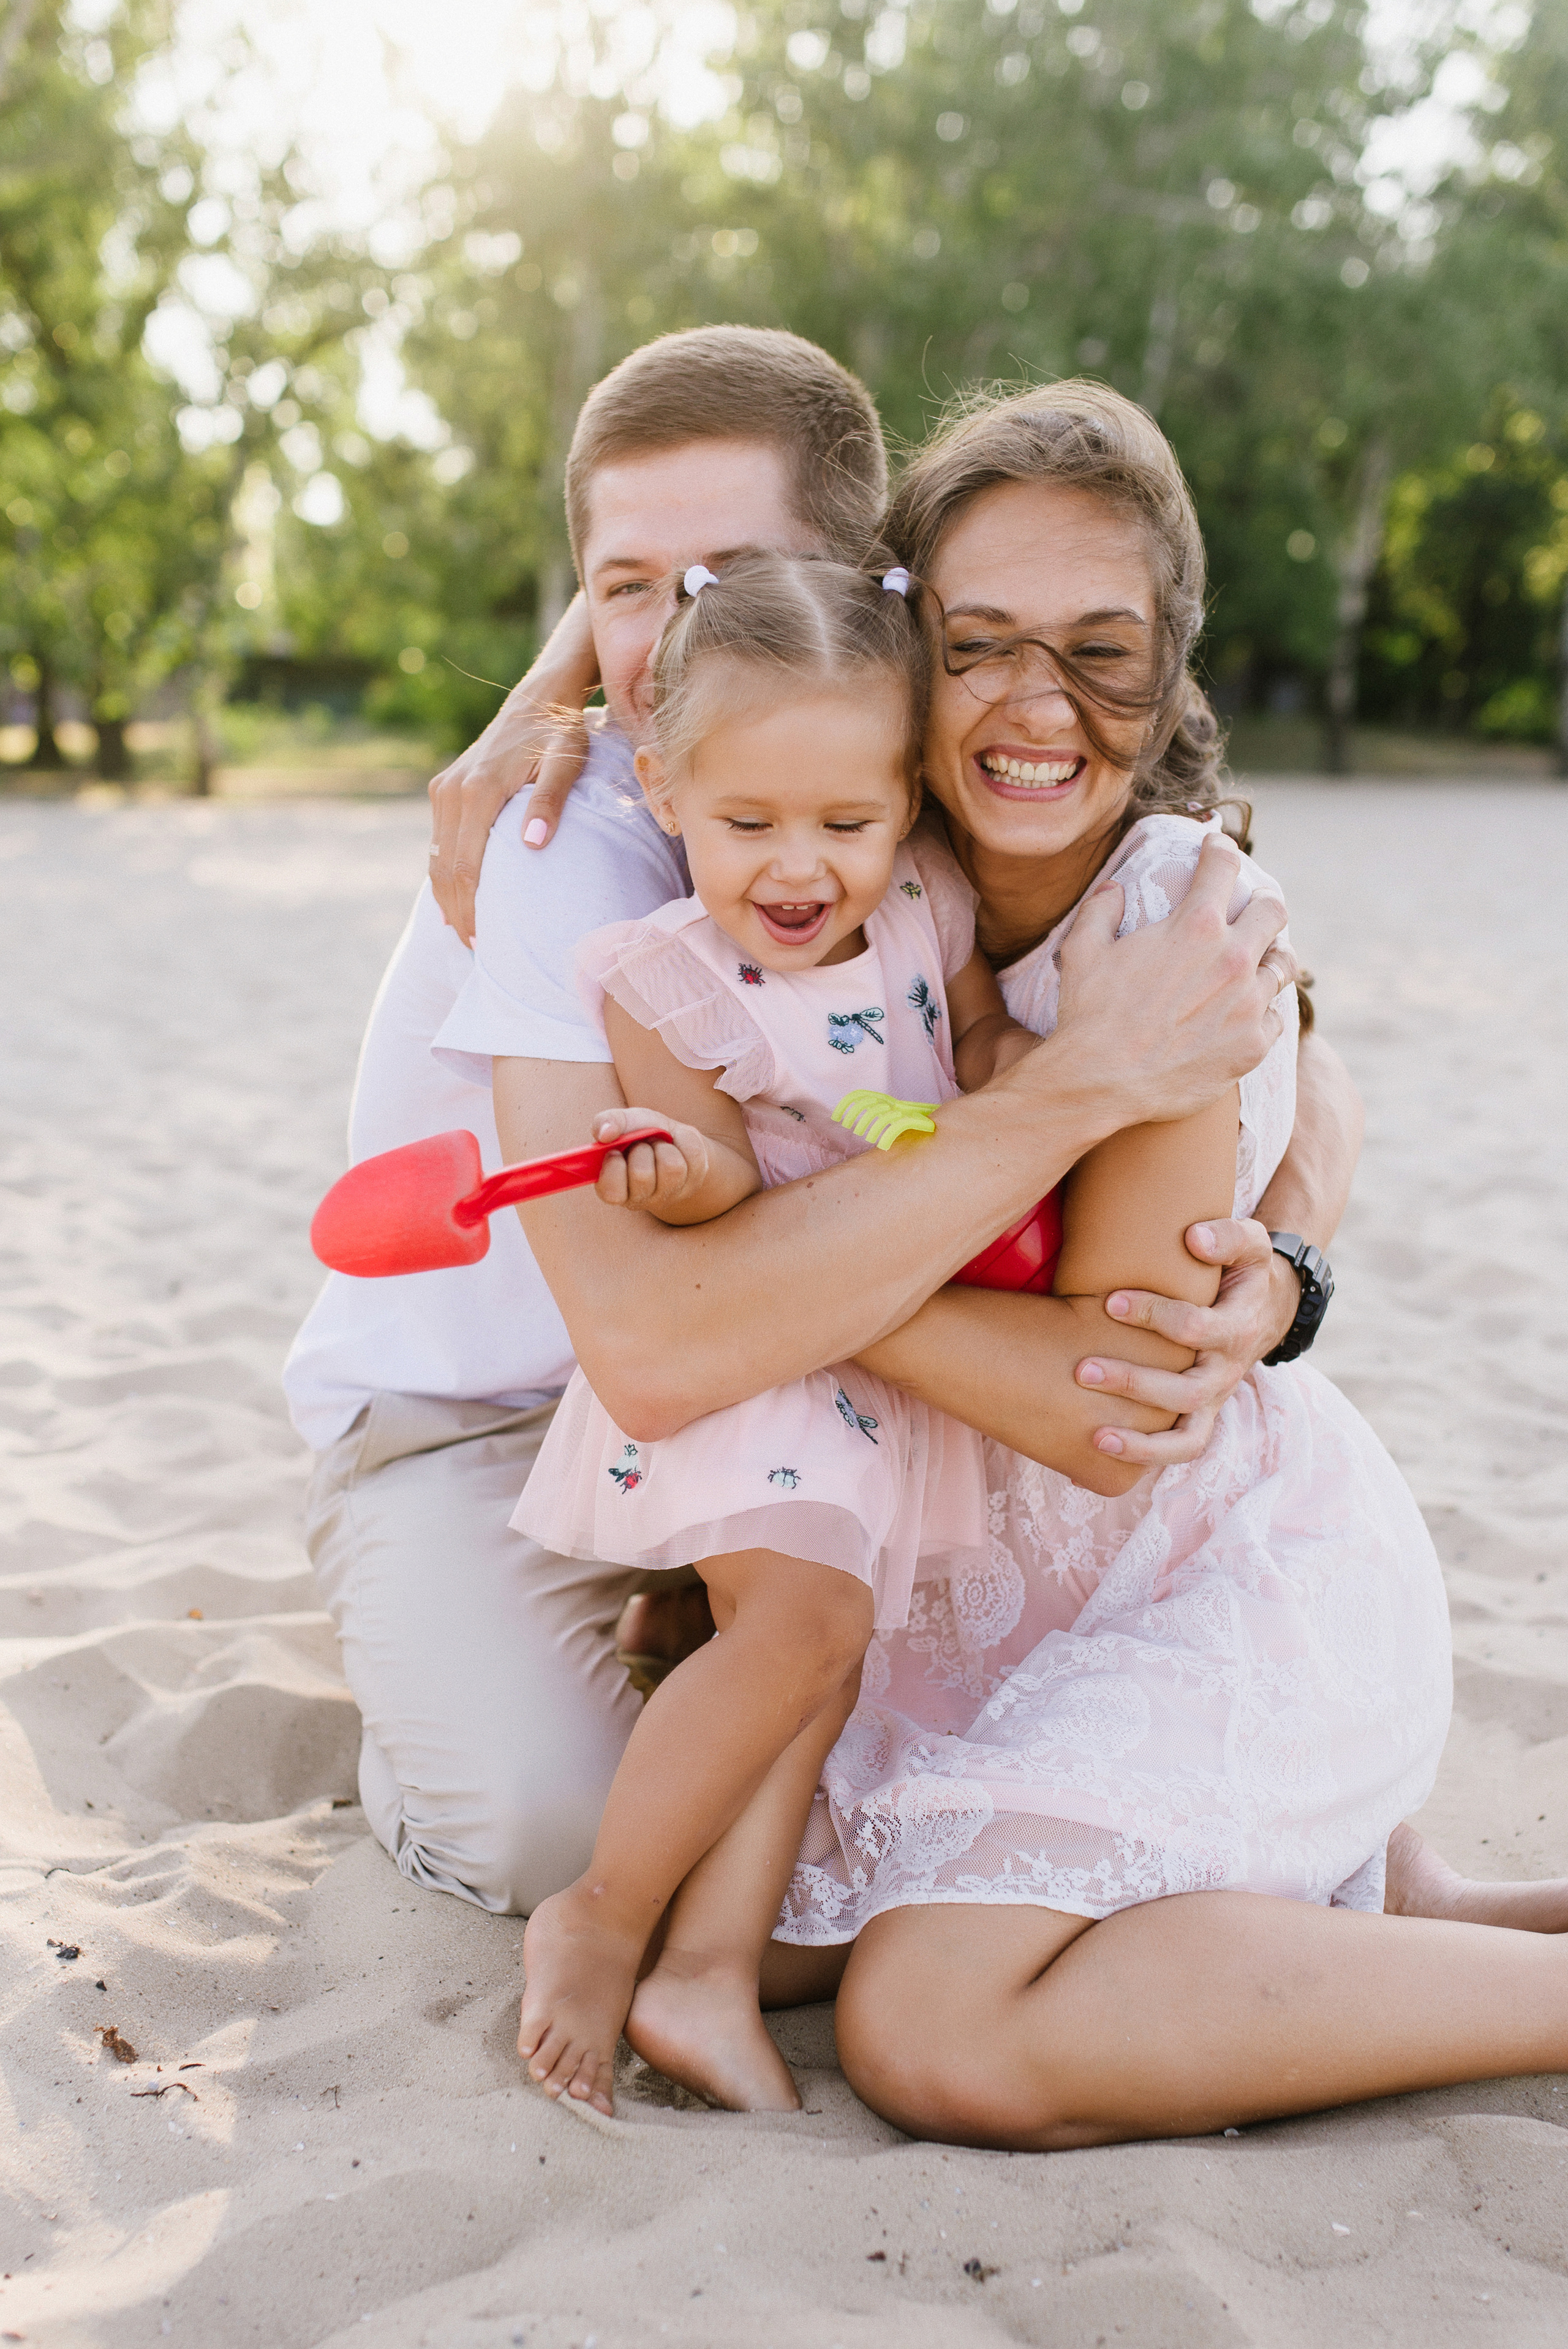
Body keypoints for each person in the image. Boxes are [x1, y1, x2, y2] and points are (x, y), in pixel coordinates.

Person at [507, 374, 1568, 2146]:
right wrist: (531, 713)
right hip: (945, 1576)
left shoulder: (1168, 919)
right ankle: (1388, 1907)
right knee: (748, 1915)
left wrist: (775, 1267)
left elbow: (1112, 1405)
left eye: (1101, 652)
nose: (1034, 704)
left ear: (1174, 670)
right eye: (978, 643)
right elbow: (684, 622)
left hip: (1182, 1567)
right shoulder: (860, 847)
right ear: (899, 647)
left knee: (931, 2028)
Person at [288, 326, 1351, 1923]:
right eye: (623, 589)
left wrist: (1289, 1257)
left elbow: (1288, 1050)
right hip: (483, 1422)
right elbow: (655, 1349)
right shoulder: (566, 840)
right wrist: (1077, 1085)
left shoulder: (896, 808)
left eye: (726, 579)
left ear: (867, 596)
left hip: (782, 1397)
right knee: (560, 1838)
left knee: (891, 1822)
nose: (670, 633)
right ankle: (435, 1690)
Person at [514, 547, 1055, 2113]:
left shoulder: (927, 904)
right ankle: (602, 1916)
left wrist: (1018, 1089)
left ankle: (704, 1970)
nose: (799, 866)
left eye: (846, 822)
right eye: (747, 823)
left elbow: (974, 1040)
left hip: (883, 1364)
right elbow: (719, 1176)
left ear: (905, 803)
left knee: (822, 1664)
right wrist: (676, 1172)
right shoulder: (663, 981)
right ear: (667, 792)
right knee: (803, 1627)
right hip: (767, 1359)